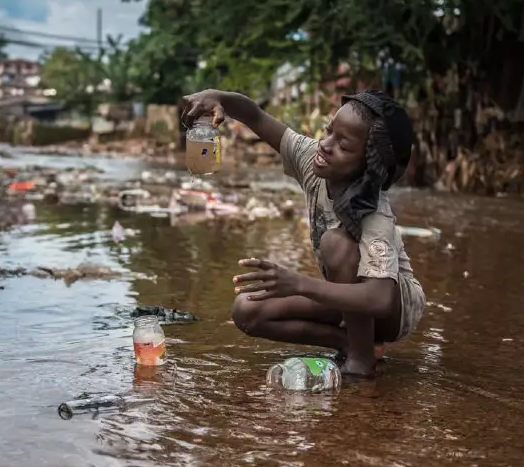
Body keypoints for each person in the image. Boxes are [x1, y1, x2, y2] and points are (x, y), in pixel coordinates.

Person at [182, 88, 425, 377]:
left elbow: (380, 298)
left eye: (344, 147)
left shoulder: (376, 214)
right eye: (328, 131)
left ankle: (361, 363)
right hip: (350, 298)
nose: (325, 144)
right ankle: (350, 344)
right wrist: (217, 97)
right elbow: (255, 116)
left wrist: (298, 284)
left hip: (395, 309)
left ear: (368, 169)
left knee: (336, 243)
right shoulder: (312, 159)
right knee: (247, 310)